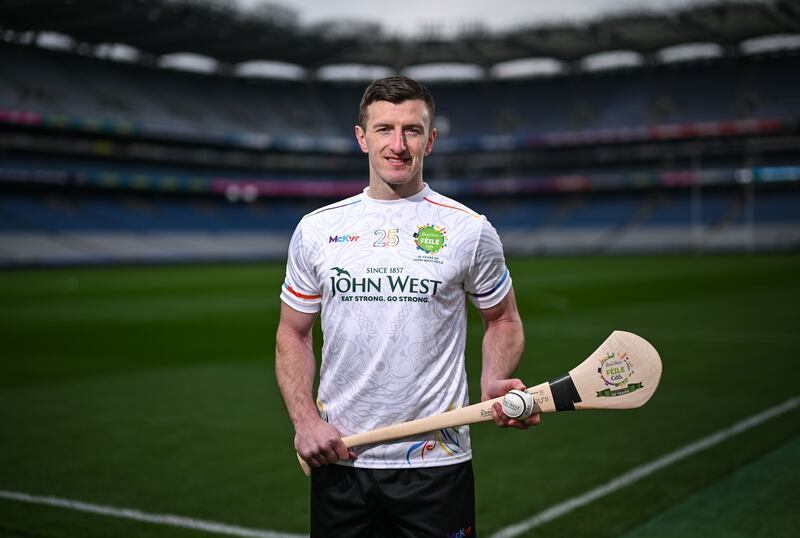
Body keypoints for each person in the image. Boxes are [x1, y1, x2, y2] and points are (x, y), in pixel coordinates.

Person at [275, 75, 540, 537]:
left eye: (412, 130)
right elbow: (292, 332)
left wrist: (493, 379)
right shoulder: (316, 229)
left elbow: (503, 319)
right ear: (362, 137)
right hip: (342, 459)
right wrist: (305, 421)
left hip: (437, 466)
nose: (398, 145)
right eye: (384, 129)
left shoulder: (470, 229)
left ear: (430, 140)